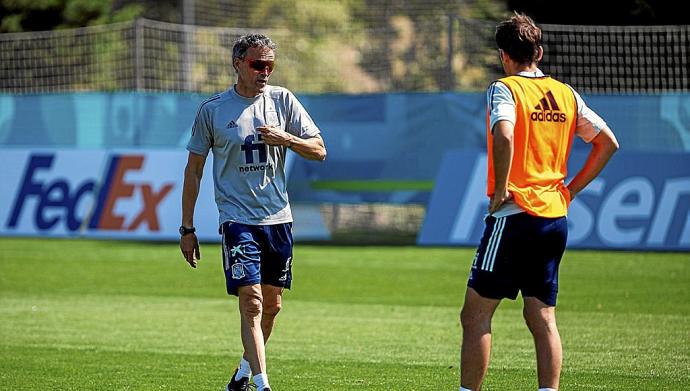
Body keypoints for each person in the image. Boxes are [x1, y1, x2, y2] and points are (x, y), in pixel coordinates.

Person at [458, 13, 619, 391]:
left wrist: (500, 191)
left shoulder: (505, 89)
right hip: (553, 217)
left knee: (475, 316)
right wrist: (572, 190)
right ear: (539, 52)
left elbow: (504, 133)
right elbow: (607, 142)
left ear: (503, 56)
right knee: (542, 316)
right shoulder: (566, 94)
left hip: (515, 214)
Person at [179, 33, 326, 391]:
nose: (265, 72)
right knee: (252, 302)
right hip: (237, 220)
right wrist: (187, 228)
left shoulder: (282, 100)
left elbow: (319, 149)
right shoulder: (212, 110)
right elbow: (194, 170)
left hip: (278, 219)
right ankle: (262, 385)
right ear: (238, 63)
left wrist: (286, 139)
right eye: (258, 64)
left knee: (273, 306)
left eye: (270, 66)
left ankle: (243, 374)